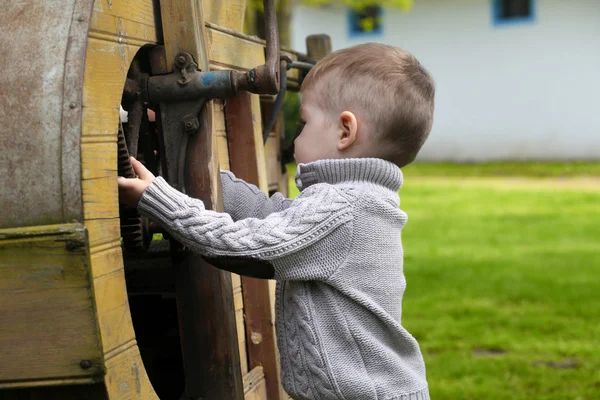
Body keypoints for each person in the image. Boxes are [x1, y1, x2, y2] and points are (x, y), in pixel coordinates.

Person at [118, 42, 435, 400]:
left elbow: (241, 247)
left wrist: (157, 200)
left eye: (304, 122)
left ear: (345, 132)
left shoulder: (342, 208)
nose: (296, 135)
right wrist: (188, 165)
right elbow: (270, 215)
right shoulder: (359, 200)